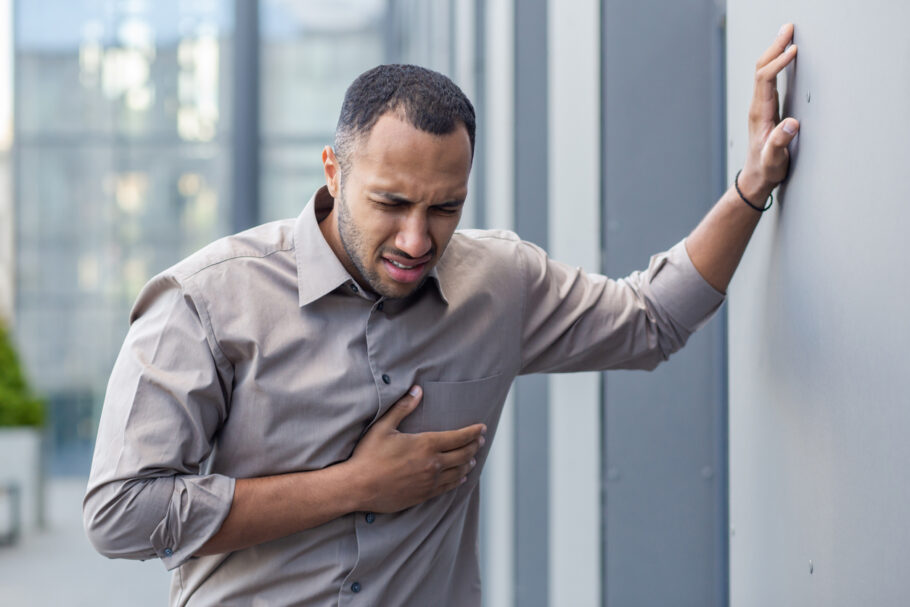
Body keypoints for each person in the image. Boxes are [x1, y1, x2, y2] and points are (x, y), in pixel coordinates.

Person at [84, 24, 800, 606]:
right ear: (334, 172)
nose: (417, 240)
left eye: (445, 207)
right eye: (392, 203)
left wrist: (750, 185)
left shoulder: (501, 280)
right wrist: (355, 487)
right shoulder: (206, 300)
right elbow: (121, 511)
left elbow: (652, 318)